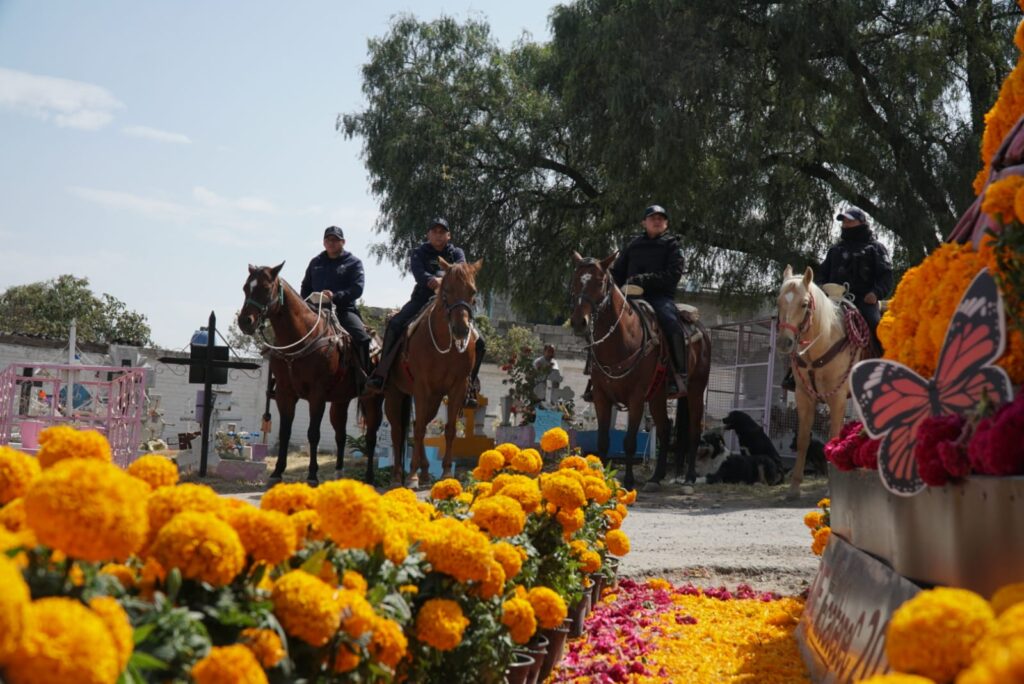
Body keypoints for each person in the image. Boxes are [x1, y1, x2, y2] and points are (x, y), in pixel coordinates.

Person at [364, 217, 487, 406]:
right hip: (422, 297)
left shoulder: (457, 253)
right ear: (428, 234)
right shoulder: (419, 252)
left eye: (442, 232)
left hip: (452, 302)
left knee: (480, 342)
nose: (438, 235)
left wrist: (443, 280)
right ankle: (382, 373)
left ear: (448, 235)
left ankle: (469, 385)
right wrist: (433, 280)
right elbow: (419, 274)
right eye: (434, 231)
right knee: (396, 324)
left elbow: (462, 272)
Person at [781, 206, 894, 391]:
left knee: (876, 325)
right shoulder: (835, 250)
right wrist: (822, 289)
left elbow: (886, 277)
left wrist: (876, 293)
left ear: (862, 222)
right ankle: (794, 373)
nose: (846, 224)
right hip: (833, 300)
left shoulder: (876, 249)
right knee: (809, 325)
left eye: (850, 220)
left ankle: (886, 370)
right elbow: (821, 276)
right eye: (844, 221)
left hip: (864, 301)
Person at [605, 204, 688, 398]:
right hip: (629, 296)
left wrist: (644, 279)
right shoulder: (633, 245)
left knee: (671, 323)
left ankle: (679, 374)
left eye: (661, 218)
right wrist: (605, 276)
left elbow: (673, 275)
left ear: (666, 223)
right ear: (644, 222)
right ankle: (596, 377)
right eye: (653, 218)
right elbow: (618, 273)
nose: (657, 221)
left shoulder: (672, 245)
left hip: (659, 298)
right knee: (604, 321)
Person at [300, 225, 371, 387]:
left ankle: (366, 379)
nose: (331, 243)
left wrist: (335, 296)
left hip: (343, 310)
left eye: (335, 240)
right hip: (315, 311)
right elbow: (305, 287)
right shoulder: (315, 262)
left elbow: (357, 289)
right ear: (324, 242)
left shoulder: (354, 263)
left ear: (343, 242)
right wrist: (308, 301)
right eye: (328, 240)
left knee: (363, 338)